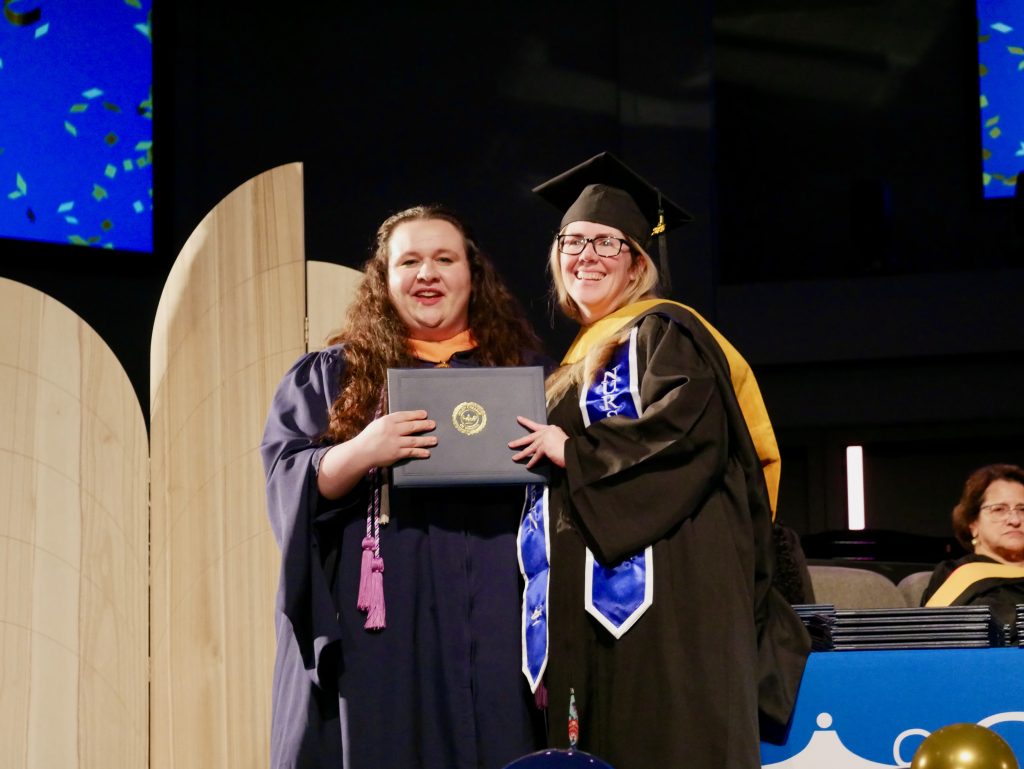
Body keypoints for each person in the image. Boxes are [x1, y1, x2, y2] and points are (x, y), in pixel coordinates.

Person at [508, 152, 810, 769]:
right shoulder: (572, 360)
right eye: (573, 241)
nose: (586, 255)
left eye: (607, 244)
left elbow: (686, 435)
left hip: (665, 602)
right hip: (594, 611)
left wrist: (578, 453)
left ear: (639, 262)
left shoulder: (665, 331)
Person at [261, 204, 546, 769]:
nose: (427, 274)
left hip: (497, 624)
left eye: (445, 259)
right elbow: (287, 474)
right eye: (409, 261)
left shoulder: (523, 377)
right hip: (381, 628)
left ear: (473, 274)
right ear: (384, 279)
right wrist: (362, 450)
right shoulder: (334, 376)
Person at [921, 463, 1024, 633]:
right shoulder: (961, 576)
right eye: (999, 509)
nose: (1014, 520)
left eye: (1023, 509)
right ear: (973, 524)